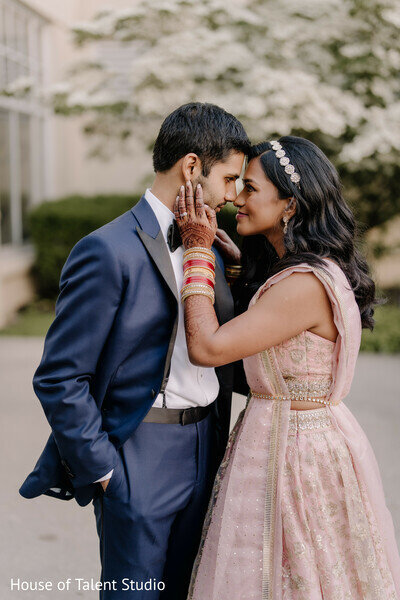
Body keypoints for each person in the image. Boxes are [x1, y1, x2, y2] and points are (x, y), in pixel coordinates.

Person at [19, 102, 251, 600]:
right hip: (137, 455)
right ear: (192, 167)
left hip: (206, 445)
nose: (234, 196)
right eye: (230, 179)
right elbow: (60, 376)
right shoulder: (106, 250)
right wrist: (106, 471)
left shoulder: (209, 244)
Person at [174, 136, 400, 599]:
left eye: (250, 188)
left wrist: (198, 253)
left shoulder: (303, 284)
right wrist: (236, 272)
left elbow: (210, 348)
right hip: (295, 435)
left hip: (295, 453)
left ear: (290, 205)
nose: (236, 197)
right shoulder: (306, 272)